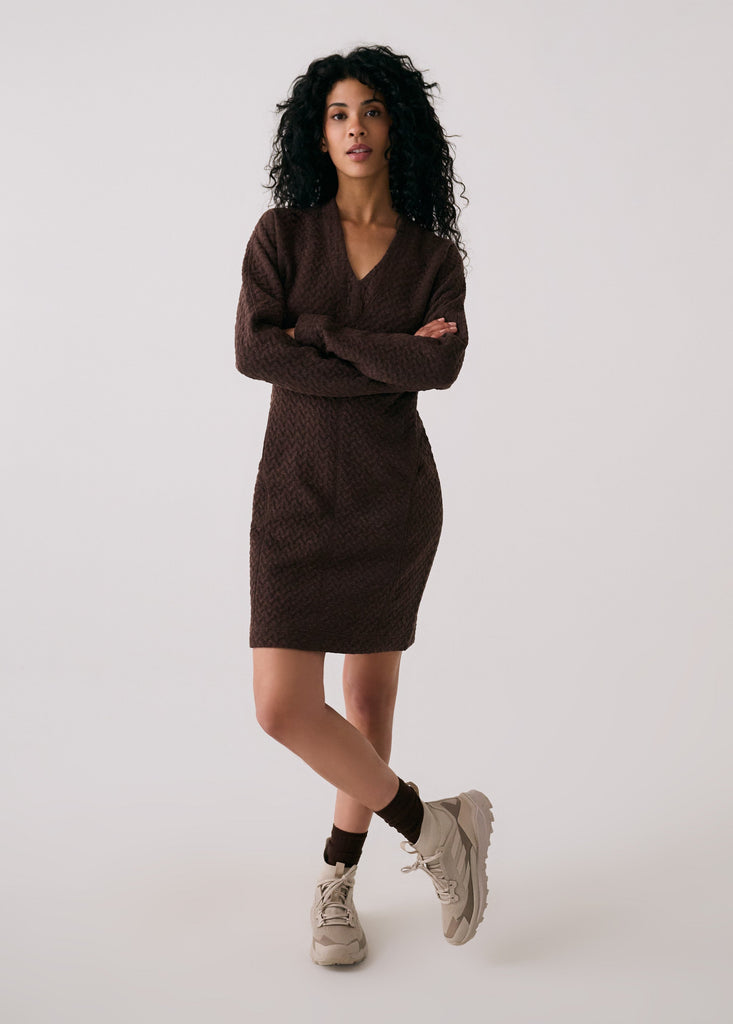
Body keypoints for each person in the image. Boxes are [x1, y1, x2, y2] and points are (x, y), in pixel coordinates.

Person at [234, 43, 493, 966]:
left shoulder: (433, 259)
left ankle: (337, 883)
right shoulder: (281, 236)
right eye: (339, 113)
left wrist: (321, 332)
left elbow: (438, 366)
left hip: (392, 501)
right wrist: (384, 355)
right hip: (295, 497)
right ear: (317, 132)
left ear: (397, 128)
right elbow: (256, 353)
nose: (355, 128)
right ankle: (434, 826)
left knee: (365, 700)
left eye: (372, 111)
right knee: (282, 707)